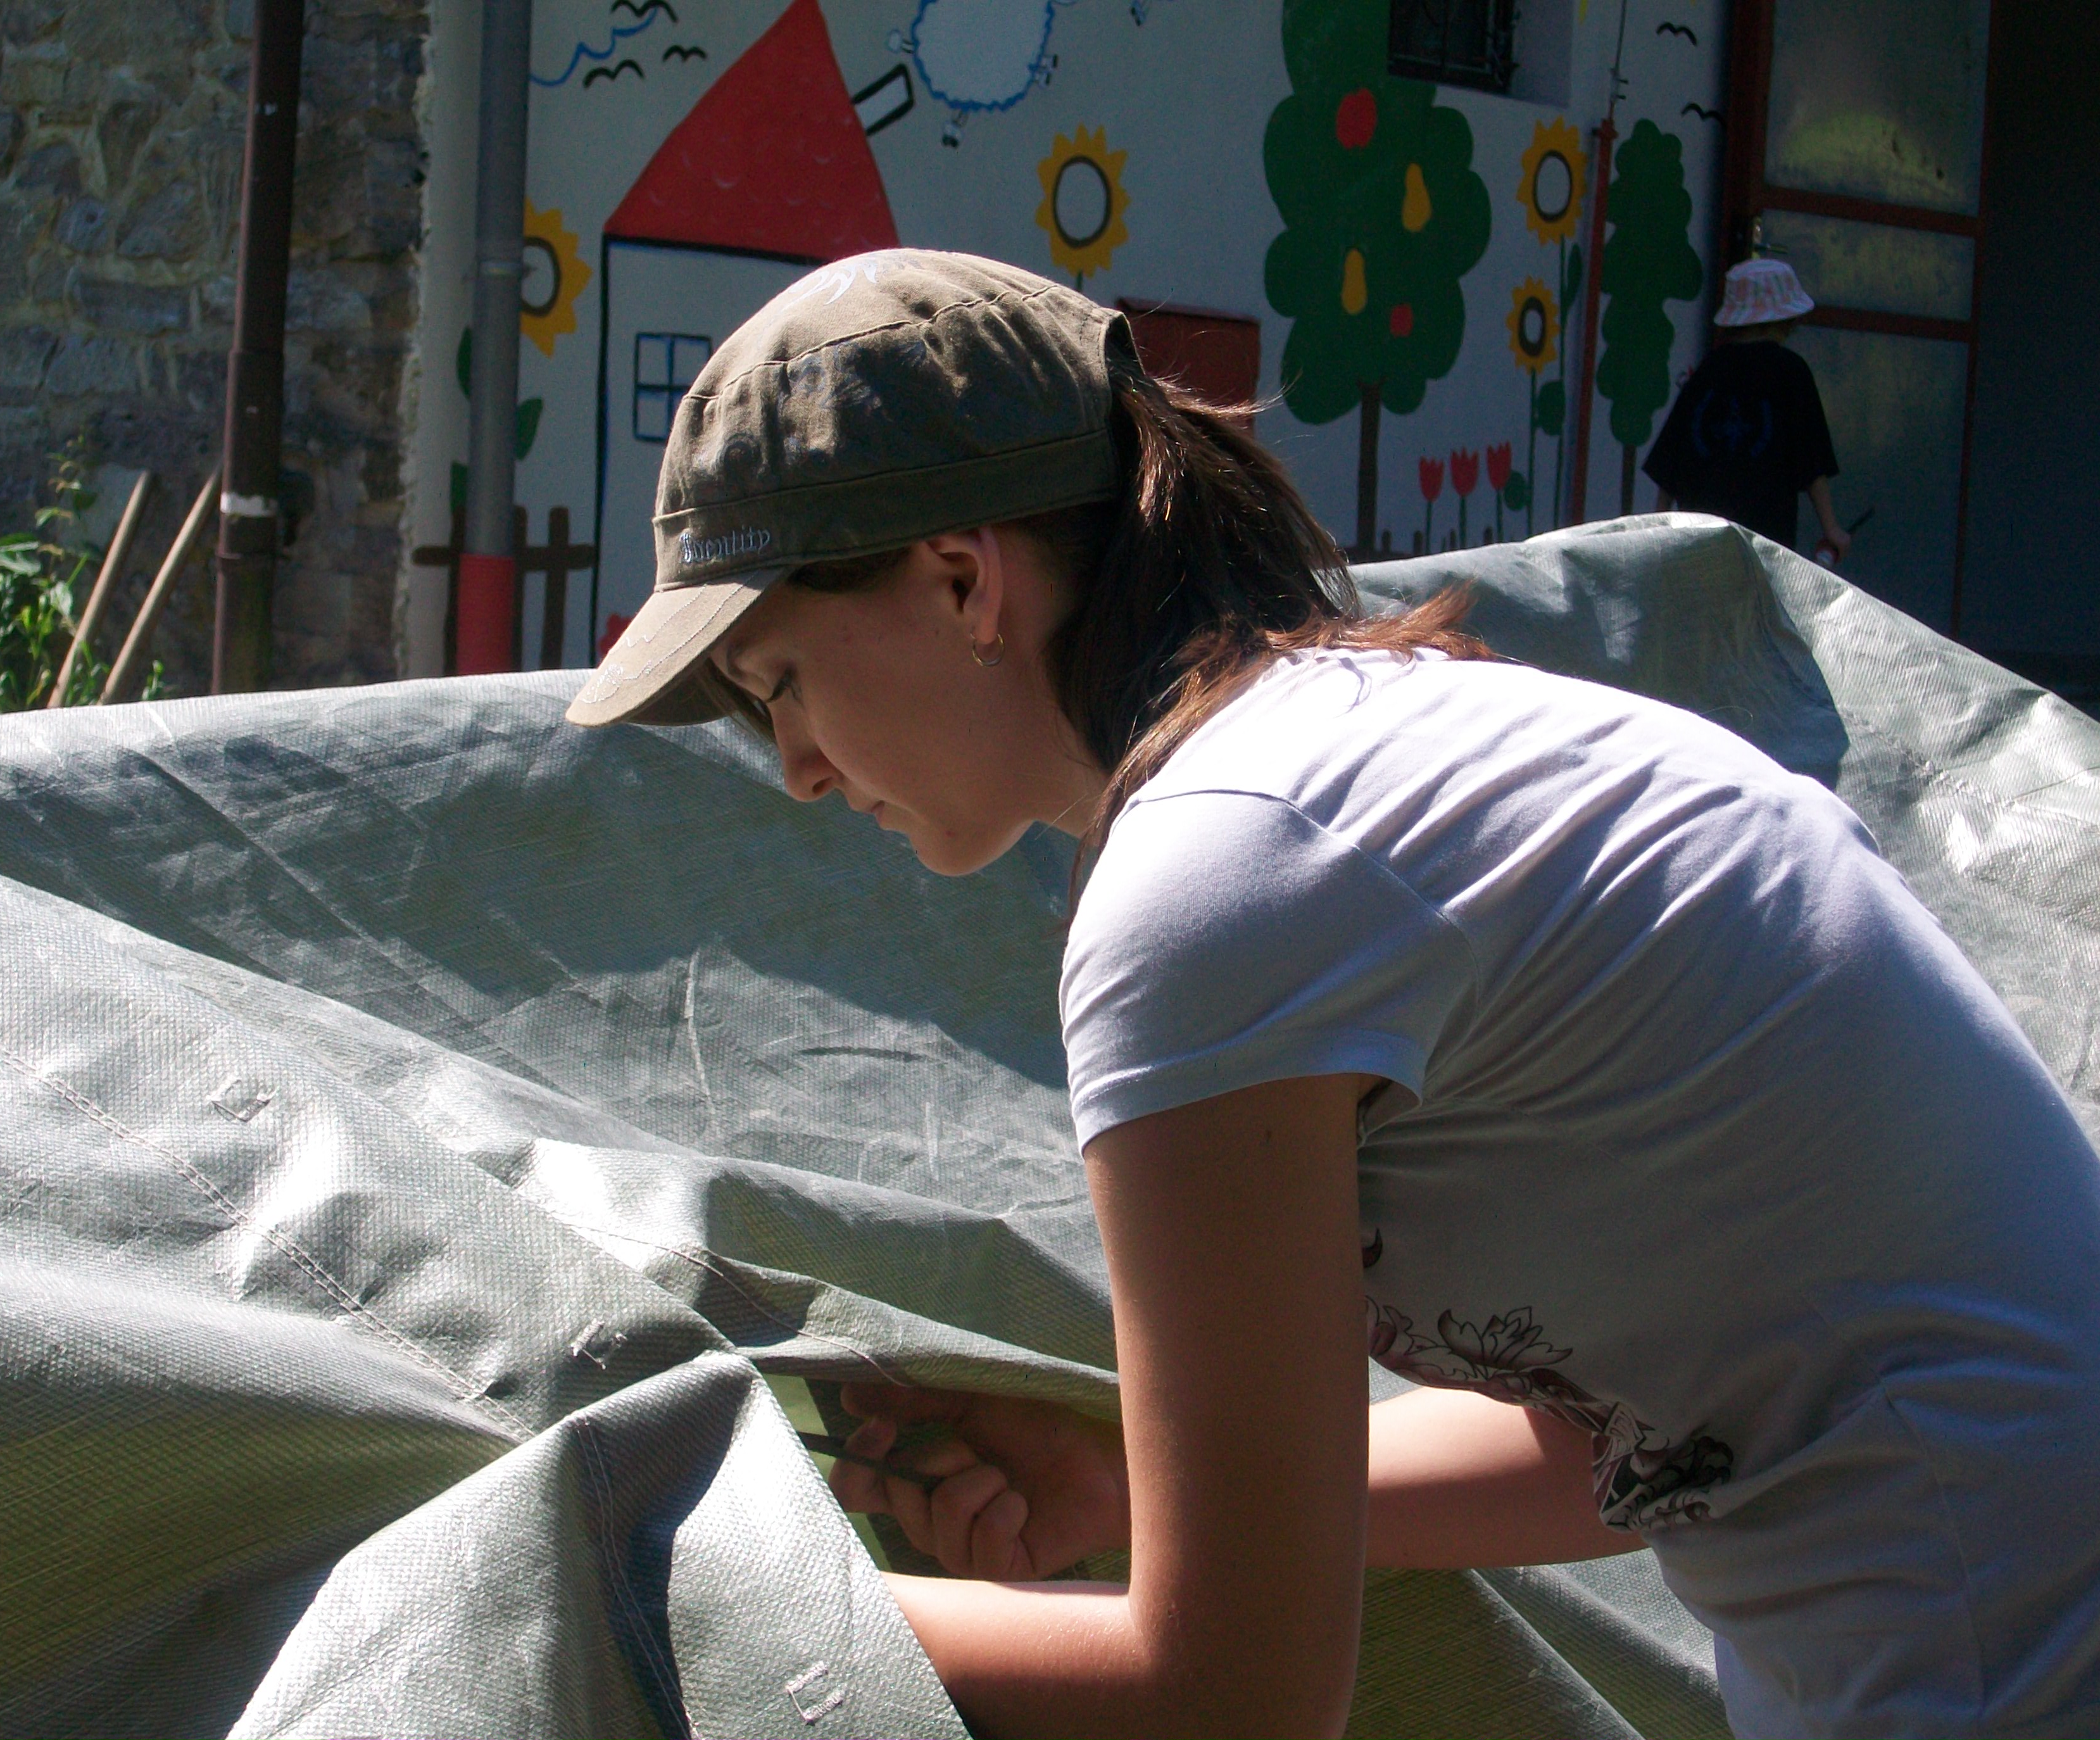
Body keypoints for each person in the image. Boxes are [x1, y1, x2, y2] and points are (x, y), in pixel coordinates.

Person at [567, 251, 2100, 1740]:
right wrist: (1130, 1487)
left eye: (779, 684)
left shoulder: (1221, 874)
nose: (796, 769)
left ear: (963, 580)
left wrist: (674, 1592)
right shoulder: (1373, 747)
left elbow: (1228, 1697)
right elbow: (1660, 1434)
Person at [1644, 258, 1854, 565]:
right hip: (1764, 546)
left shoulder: (1709, 370)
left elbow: (1671, 463)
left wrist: (1657, 532)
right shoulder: (1791, 372)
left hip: (1698, 545)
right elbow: (1812, 462)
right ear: (1785, 318)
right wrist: (1831, 529)